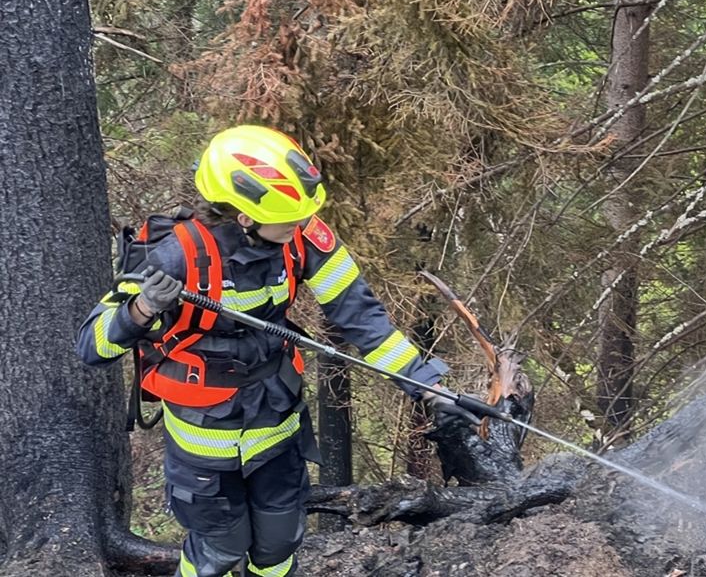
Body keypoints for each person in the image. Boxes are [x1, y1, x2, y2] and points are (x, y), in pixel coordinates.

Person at [77, 126, 477, 577]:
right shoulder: (174, 255)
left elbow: (362, 319)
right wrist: (144, 307)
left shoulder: (301, 235)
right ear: (244, 216)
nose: (300, 225)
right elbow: (92, 347)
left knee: (277, 548)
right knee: (220, 552)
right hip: (203, 442)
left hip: (277, 427)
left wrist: (424, 384)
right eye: (288, 219)